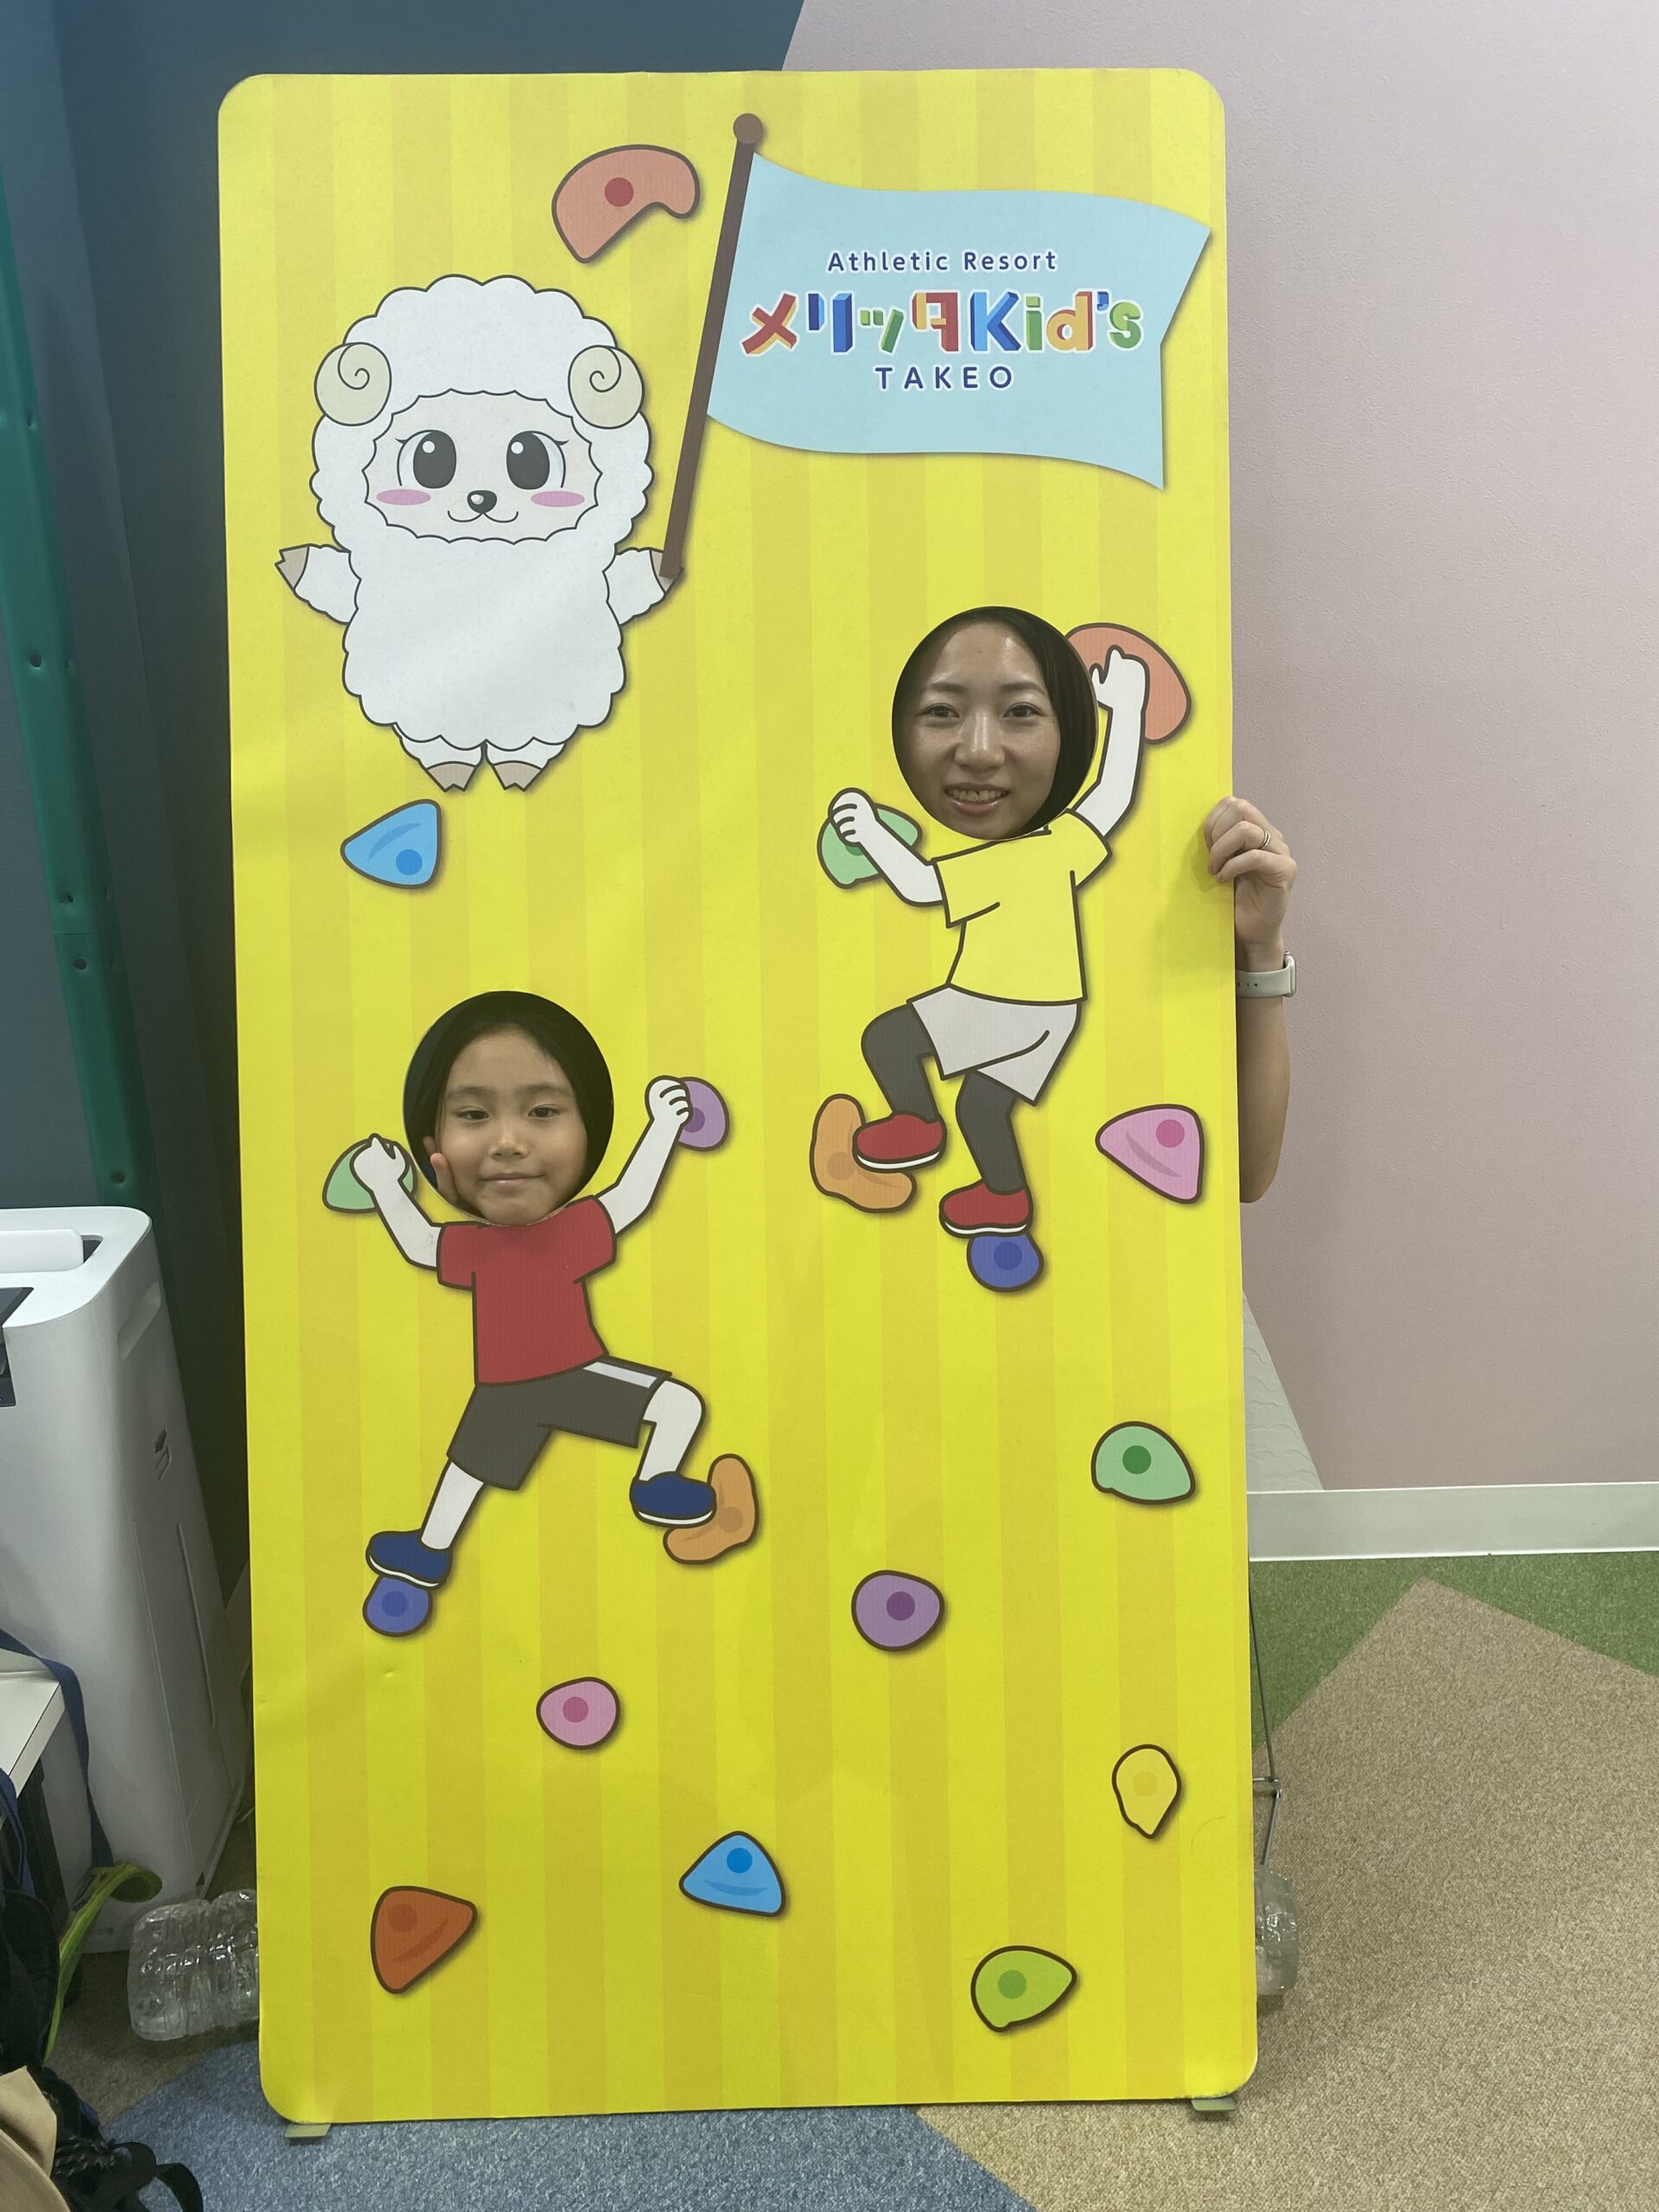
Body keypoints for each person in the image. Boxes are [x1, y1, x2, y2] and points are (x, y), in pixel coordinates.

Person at [825, 607, 1294, 1226]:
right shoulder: (1057, 848)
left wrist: (868, 832)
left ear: (1067, 730)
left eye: (1021, 710)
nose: (980, 751)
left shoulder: (1013, 860)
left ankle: (916, 1123)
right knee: (981, 1108)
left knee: (888, 1040)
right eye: (941, 710)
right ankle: (1006, 1196)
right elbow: (1112, 797)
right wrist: (1128, 711)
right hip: (1052, 1017)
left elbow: (917, 884)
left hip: (1003, 1006)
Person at [347, 990, 755, 1630]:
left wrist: (663, 1126)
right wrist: (382, 1185)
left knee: (678, 1407)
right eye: (474, 1114)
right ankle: (428, 1551)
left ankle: (654, 1484)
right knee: (465, 1474)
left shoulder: (568, 1232)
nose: (509, 1142)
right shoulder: (477, 1246)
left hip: (568, 1375)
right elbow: (422, 1245)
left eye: (542, 1111)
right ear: (434, 1145)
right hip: (511, 1389)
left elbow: (631, 1197)